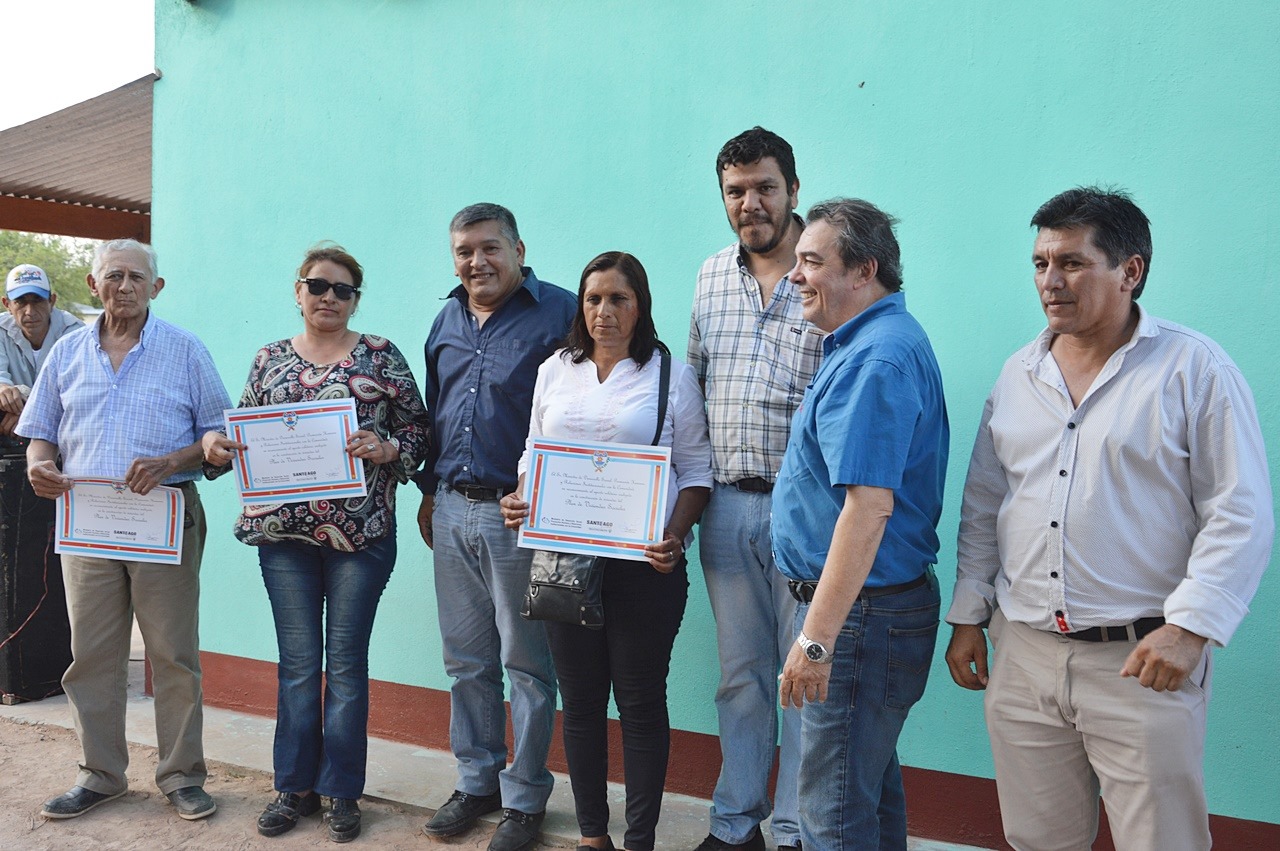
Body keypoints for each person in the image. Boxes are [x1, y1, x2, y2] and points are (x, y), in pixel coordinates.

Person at [944, 187, 1273, 851]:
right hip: (1025, 655)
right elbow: (985, 504)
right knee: (1039, 839)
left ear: (1131, 270)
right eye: (1040, 263)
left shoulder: (1193, 369)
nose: (1050, 281)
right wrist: (969, 614)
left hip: (1142, 662)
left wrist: (1191, 628)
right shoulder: (1019, 374)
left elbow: (1239, 511)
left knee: (1162, 841)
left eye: (1071, 263)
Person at [202, 244, 428, 843]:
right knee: (299, 665)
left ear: (356, 299)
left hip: (362, 536)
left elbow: (418, 430)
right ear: (298, 291)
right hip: (284, 539)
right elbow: (243, 432)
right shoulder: (269, 358)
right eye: (318, 285)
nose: (330, 297)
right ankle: (294, 787)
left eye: (343, 289)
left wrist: (388, 449)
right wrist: (219, 447)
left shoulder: (380, 355)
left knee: (346, 666)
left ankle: (341, 791)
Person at [501, 251, 713, 851]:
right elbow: (533, 452)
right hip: (564, 564)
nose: (605, 311)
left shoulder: (669, 376)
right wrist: (521, 496)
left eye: (619, 298)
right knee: (582, 702)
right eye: (593, 299)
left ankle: (639, 838)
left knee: (641, 703)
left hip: (643, 568)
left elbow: (697, 472)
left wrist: (674, 536)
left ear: (640, 305)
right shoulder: (556, 369)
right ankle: (593, 835)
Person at [17, 238, 231, 822]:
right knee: (90, 654)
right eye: (113, 275)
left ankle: (182, 776)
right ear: (94, 285)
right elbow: (41, 432)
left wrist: (173, 460)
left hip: (163, 519)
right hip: (87, 525)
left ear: (155, 288)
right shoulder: (66, 352)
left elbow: (218, 436)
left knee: (172, 654)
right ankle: (100, 774)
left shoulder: (185, 350)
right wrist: (39, 464)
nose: (125, 286)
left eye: (137, 277)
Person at [774, 199, 949, 851]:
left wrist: (816, 641)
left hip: (859, 620)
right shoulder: (873, 342)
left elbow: (868, 508)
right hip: (867, 614)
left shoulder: (876, 359)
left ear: (864, 270)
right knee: (863, 798)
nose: (795, 275)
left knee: (835, 816)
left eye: (812, 261)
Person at [416, 203, 576, 851]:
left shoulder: (562, 314)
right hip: (452, 507)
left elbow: (582, 408)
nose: (477, 262)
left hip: (521, 514)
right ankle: (476, 779)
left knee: (526, 662)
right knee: (465, 658)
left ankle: (525, 796)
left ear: (518, 250)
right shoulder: (446, 319)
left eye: (490, 248)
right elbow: (435, 410)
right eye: (464, 251)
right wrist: (429, 492)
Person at [687, 126, 819, 851]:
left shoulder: (826, 274)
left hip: (808, 513)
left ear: (793, 189)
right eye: (735, 191)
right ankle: (736, 825)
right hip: (726, 507)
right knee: (740, 676)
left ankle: (796, 829)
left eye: (765, 187)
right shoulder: (711, 275)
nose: (750, 203)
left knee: (803, 677)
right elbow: (694, 385)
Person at [0, 264, 83, 438]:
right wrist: (4, 390)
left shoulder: (75, 334)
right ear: (7, 304)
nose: (30, 312)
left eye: (37, 300)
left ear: (51, 301)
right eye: (20, 302)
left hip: (62, 433)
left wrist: (28, 414)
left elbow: (77, 394)